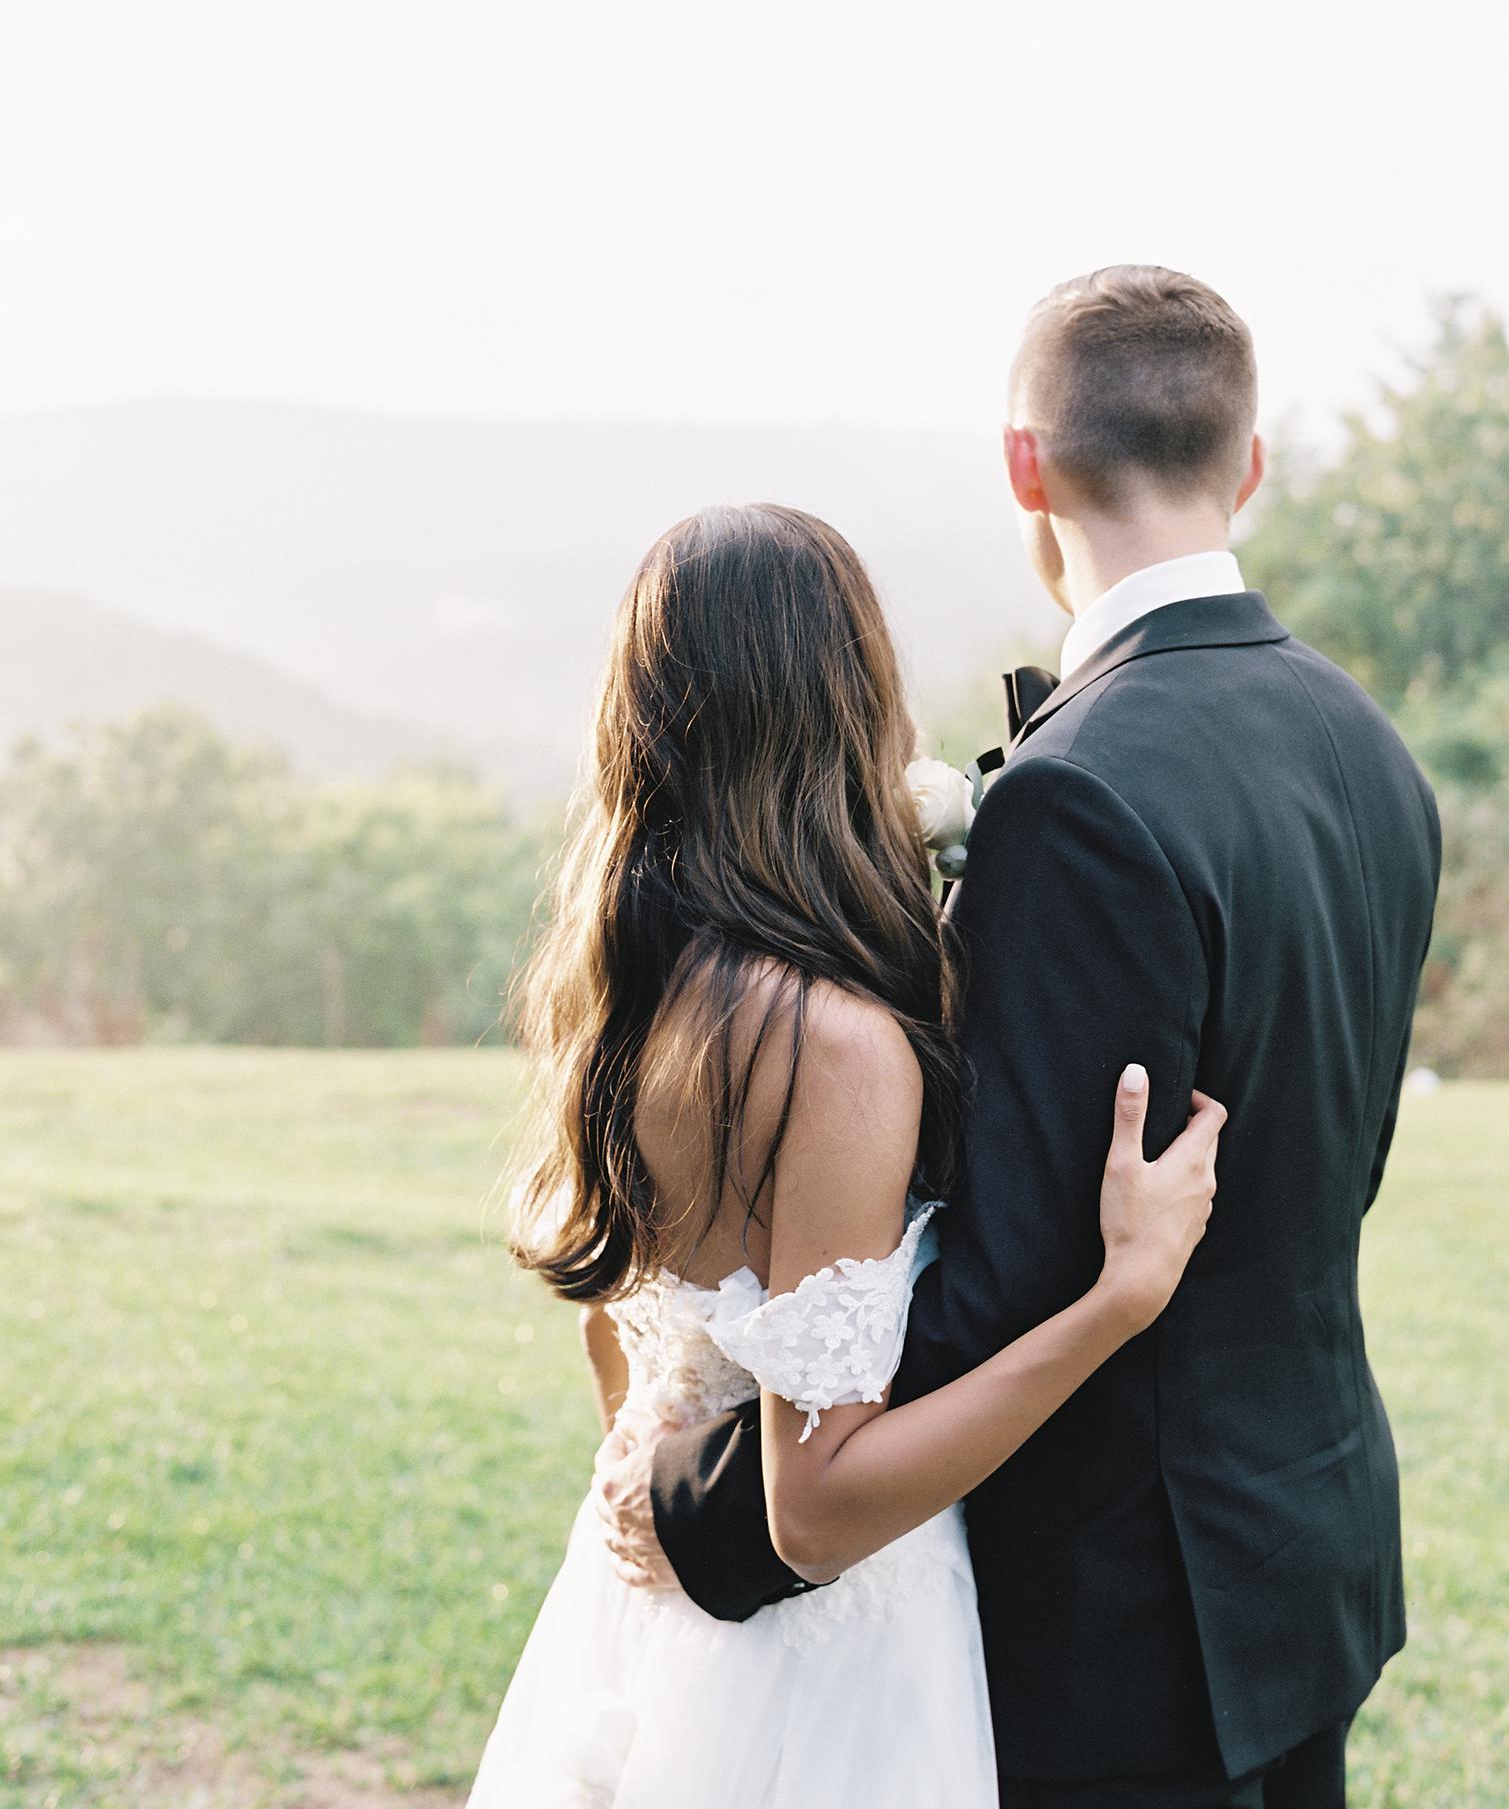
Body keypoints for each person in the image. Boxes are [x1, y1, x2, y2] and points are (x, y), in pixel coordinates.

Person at [599, 266, 1442, 1808]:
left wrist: (704, 1495)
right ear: (1245, 463)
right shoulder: (1361, 740)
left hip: (1123, 1607)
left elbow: (1001, 1270)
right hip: (1302, 1541)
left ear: (1021, 466)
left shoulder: (1072, 795)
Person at [465, 498, 1227, 1809]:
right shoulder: (825, 1043)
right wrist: (1119, 1300)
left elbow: (621, 1325)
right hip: (818, 1681)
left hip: (654, 1627)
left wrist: (660, 1444)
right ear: (851, 695)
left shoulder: (635, 981)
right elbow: (812, 1508)